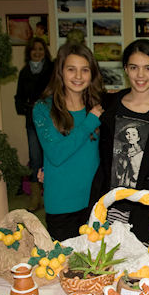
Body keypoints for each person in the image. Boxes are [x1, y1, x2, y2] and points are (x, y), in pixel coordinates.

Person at [90, 39, 149, 244]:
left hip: (147, 212)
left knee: (142, 262)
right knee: (107, 259)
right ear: (126, 69)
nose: (140, 75)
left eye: (148, 68)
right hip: (109, 206)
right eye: (134, 67)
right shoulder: (107, 105)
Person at [33, 42, 105, 241]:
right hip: (62, 204)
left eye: (85, 70)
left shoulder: (99, 106)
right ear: (60, 72)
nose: (78, 76)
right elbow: (56, 154)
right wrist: (90, 122)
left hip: (96, 203)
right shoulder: (43, 109)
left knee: (98, 260)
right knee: (65, 260)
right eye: (71, 69)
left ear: (92, 74)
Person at [15, 37, 53, 212]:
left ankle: (50, 195)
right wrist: (27, 108)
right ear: (29, 52)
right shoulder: (24, 72)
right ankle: (35, 197)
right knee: (35, 157)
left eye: (40, 49)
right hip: (32, 121)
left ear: (45, 52)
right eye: (34, 49)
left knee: (51, 156)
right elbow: (19, 97)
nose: (37, 52)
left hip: (51, 120)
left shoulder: (51, 69)